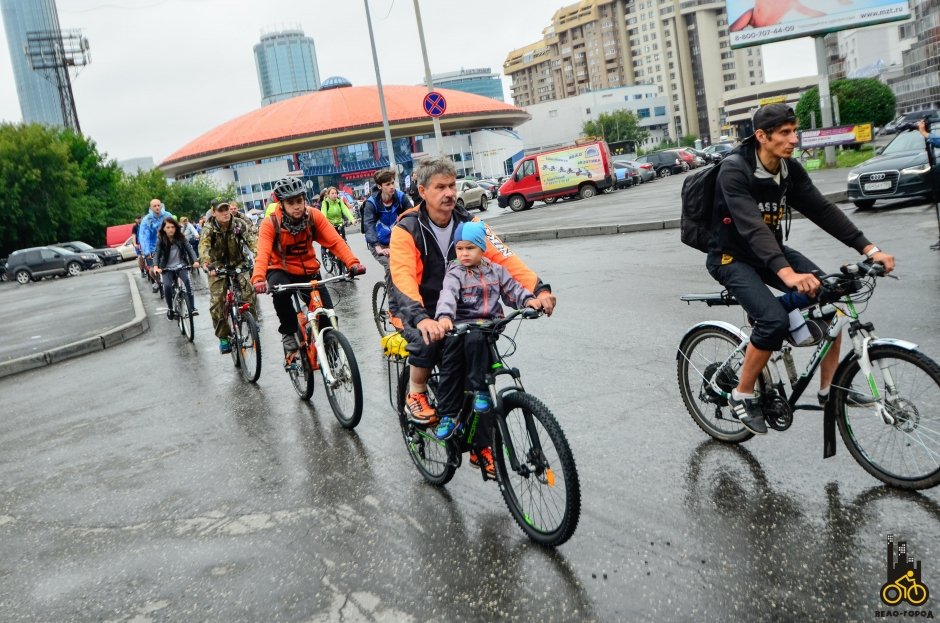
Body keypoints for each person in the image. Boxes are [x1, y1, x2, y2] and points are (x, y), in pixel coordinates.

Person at [707, 103, 895, 435]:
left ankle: (829, 390)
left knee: (833, 295)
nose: (794, 138)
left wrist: (870, 249)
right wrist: (787, 274)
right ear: (762, 136)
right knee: (774, 321)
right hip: (731, 257)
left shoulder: (788, 170)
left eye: (795, 131)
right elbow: (751, 226)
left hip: (771, 252)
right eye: (785, 132)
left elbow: (822, 209)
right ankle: (743, 392)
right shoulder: (734, 170)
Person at [388, 156, 556, 432]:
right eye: (441, 187)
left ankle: (483, 446)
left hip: (461, 308)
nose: (450, 193)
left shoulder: (469, 222)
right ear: (422, 191)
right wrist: (421, 318)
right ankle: (415, 392)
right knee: (428, 339)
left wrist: (538, 290)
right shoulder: (407, 228)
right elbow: (403, 276)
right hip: (417, 305)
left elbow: (504, 258)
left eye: (452, 186)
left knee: (478, 361)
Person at [432, 220, 543, 475]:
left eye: (470, 248)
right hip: (460, 329)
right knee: (453, 366)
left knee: (481, 342)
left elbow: (513, 290)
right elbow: (447, 295)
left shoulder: (496, 271)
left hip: (490, 326)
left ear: (482, 248)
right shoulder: (455, 272)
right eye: (459, 249)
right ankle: (449, 413)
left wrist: (529, 300)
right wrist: (445, 317)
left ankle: (480, 398)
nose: (463, 254)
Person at [250, 176, 366, 353]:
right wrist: (258, 278)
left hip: (309, 270)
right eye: (291, 202)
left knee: (327, 315)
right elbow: (263, 253)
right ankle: (288, 332)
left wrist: (353, 263)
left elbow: (335, 242)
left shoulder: (314, 216)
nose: (297, 206)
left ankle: (330, 352)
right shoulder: (270, 223)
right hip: (281, 270)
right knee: (280, 295)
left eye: (299, 200)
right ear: (281, 204)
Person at [199, 199, 258, 354]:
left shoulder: (238, 224)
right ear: (214, 212)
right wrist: (207, 263)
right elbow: (203, 246)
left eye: (227, 209)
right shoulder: (209, 227)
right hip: (216, 267)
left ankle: (252, 324)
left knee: (249, 292)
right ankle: (224, 337)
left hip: (239, 263)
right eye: (221, 210)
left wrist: (260, 256)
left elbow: (253, 241)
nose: (225, 213)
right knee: (217, 302)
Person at [363, 169, 413, 268]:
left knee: (410, 264)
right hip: (378, 243)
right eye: (387, 184)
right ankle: (390, 284)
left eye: (392, 183)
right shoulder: (371, 203)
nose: (392, 187)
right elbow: (369, 226)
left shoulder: (400, 197)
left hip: (397, 241)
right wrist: (378, 248)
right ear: (379, 186)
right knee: (391, 266)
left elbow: (411, 217)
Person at [153, 217, 199, 318]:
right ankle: (170, 309)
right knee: (168, 286)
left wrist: (195, 261)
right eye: (168, 227)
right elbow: (156, 253)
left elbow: (190, 250)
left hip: (181, 265)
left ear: (176, 228)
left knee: (188, 282)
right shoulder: (161, 240)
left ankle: (192, 307)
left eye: (173, 227)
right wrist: (156, 267)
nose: (171, 229)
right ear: (164, 229)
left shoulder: (181, 238)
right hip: (166, 268)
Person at [139, 199, 175, 293]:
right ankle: (158, 281)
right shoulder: (146, 220)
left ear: (161, 206)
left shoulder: (168, 215)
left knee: (174, 266)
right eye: (154, 206)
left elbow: (175, 230)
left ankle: (174, 282)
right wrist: (147, 252)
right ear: (150, 208)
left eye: (158, 205)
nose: (157, 207)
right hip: (152, 247)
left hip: (167, 244)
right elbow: (144, 237)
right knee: (152, 270)